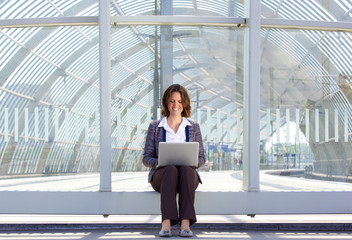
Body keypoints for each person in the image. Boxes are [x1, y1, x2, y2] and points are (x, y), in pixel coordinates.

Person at [143, 84, 206, 237]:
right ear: (166, 103)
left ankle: (185, 224)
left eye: (179, 101)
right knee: (170, 169)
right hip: (162, 177)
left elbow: (202, 157)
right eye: (172, 101)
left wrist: (192, 162)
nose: (176, 105)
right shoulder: (155, 126)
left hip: (187, 177)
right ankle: (166, 224)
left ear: (185, 104)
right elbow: (146, 158)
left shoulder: (193, 127)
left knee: (185, 169)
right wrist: (159, 162)